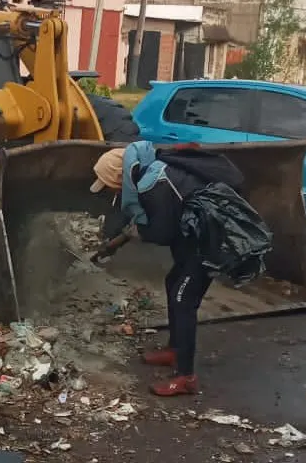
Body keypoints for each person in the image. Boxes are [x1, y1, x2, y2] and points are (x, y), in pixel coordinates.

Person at [90, 144, 214, 397]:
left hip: (208, 244)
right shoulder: (149, 174)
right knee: (173, 283)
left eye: (109, 184)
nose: (111, 191)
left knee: (183, 299)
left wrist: (134, 233)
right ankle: (175, 350)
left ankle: (186, 377)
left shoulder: (155, 185)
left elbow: (160, 232)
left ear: (119, 177)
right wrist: (118, 242)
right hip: (192, 241)